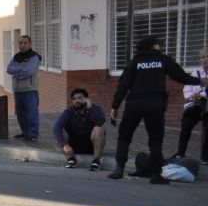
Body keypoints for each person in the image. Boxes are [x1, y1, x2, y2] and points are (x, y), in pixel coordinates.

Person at [108, 35, 208, 183]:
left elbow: (123, 86)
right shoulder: (163, 60)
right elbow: (180, 76)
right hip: (155, 104)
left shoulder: (134, 63)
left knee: (124, 137)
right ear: (153, 46)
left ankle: (119, 169)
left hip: (134, 104)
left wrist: (114, 107)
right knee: (155, 140)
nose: (159, 47)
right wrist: (200, 81)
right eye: (157, 45)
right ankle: (156, 175)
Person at [51, 88, 106, 170]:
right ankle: (71, 159)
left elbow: (100, 121)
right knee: (58, 136)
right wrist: (65, 145)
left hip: (91, 145)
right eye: (74, 99)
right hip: (73, 146)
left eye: (80, 98)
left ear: (86, 99)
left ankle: (96, 161)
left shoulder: (95, 108)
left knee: (99, 129)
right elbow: (56, 128)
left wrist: (90, 108)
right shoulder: (69, 111)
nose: (77, 100)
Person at [175, 46, 208, 163]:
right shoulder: (196, 73)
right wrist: (192, 96)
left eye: (207, 57)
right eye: (203, 57)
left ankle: (205, 157)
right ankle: (180, 153)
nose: (205, 59)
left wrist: (200, 93)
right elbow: (187, 90)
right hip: (196, 104)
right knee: (186, 123)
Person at [6, 35, 40, 142]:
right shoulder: (16, 57)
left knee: (32, 113)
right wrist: (21, 69)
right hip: (17, 90)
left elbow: (29, 71)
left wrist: (17, 73)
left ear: (30, 44)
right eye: (20, 43)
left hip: (30, 90)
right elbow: (9, 69)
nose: (22, 45)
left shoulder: (34, 57)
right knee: (20, 114)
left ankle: (33, 134)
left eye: (25, 43)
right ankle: (25, 133)